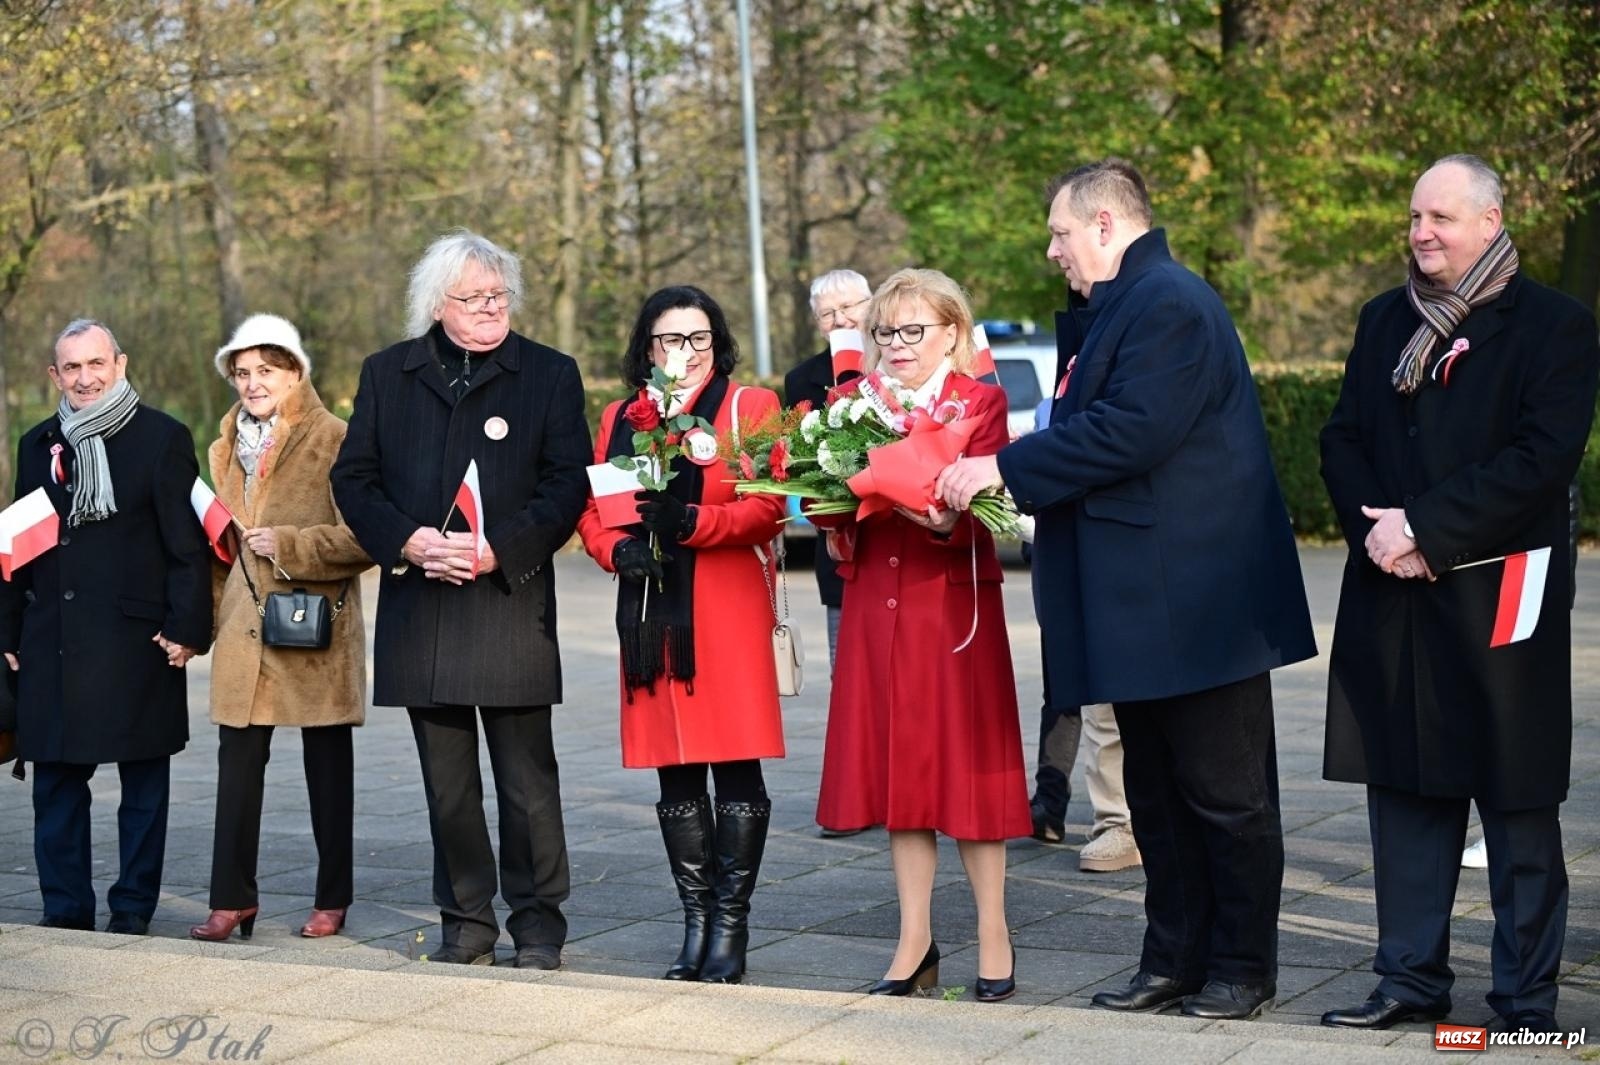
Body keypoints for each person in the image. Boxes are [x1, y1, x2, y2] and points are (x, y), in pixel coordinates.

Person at [938, 159, 1316, 1021]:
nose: (1052, 250)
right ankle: (1173, 959)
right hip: (1143, 606)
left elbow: (1132, 430)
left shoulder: (1171, 303)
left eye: (1061, 232)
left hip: (1199, 602)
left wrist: (1000, 464)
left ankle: (1241, 967)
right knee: (1155, 796)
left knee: (1226, 797)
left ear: (1107, 225)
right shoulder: (1121, 309)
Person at [1319, 155, 1599, 1035]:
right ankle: (1408, 976)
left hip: (1499, 594)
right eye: (1414, 217)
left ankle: (1523, 999)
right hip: (1392, 592)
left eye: (1440, 216)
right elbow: (1342, 438)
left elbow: (1539, 461)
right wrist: (1378, 530)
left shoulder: (1556, 325)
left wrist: (1426, 529)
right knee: (1402, 784)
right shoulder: (1381, 321)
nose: (1422, 232)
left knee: (1515, 795)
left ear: (1490, 220)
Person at [331, 230, 591, 969]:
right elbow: (355, 480)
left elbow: (567, 482)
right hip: (424, 612)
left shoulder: (548, 373)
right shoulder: (389, 373)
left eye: (498, 295)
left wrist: (498, 546)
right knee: (448, 787)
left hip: (509, 602)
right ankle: (466, 920)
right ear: (436, 305)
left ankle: (539, 925)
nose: (489, 308)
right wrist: (407, 540)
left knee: (527, 784)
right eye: (473, 297)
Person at [815, 268, 1032, 1003]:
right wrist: (836, 495)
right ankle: (915, 938)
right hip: (878, 605)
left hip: (953, 609)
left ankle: (995, 930)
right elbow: (827, 507)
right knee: (897, 774)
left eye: (913, 330)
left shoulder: (981, 401)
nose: (897, 344)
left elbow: (979, 508)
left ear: (951, 332)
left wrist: (912, 498)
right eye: (885, 331)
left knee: (968, 769)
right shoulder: (848, 405)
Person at [577, 285, 788, 984]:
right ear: (647, 348)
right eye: (669, 340)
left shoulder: (747, 407)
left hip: (724, 611)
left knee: (733, 762)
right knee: (675, 768)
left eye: (698, 339)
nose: (684, 353)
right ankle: (694, 919)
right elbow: (593, 512)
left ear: (717, 342)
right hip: (649, 616)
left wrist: (691, 523)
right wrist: (618, 550)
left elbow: (766, 508)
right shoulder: (620, 416)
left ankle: (730, 923)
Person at [0, 319, 212, 935]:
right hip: (53, 642)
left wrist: (187, 629)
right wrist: (7, 635)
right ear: (54, 375)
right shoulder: (36, 443)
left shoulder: (163, 438)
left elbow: (185, 547)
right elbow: (17, 543)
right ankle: (64, 909)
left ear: (119, 364)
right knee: (56, 788)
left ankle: (132, 908)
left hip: (136, 642)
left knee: (143, 787)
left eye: (96, 364)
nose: (85, 378)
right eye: (71, 368)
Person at [190, 314, 372, 943]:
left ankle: (333, 897)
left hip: (315, 627)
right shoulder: (219, 450)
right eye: (241, 373)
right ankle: (231, 899)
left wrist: (291, 544)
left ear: (296, 372)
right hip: (245, 629)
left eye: (265, 370)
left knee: (327, 769)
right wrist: (203, 625)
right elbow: (219, 549)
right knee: (236, 768)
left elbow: (367, 537)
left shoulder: (338, 438)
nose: (252, 383)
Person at [783, 268, 871, 671]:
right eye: (827, 313)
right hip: (841, 541)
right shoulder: (802, 379)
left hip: (905, 536)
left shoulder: (901, 360)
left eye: (850, 306)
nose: (840, 319)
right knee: (848, 671)